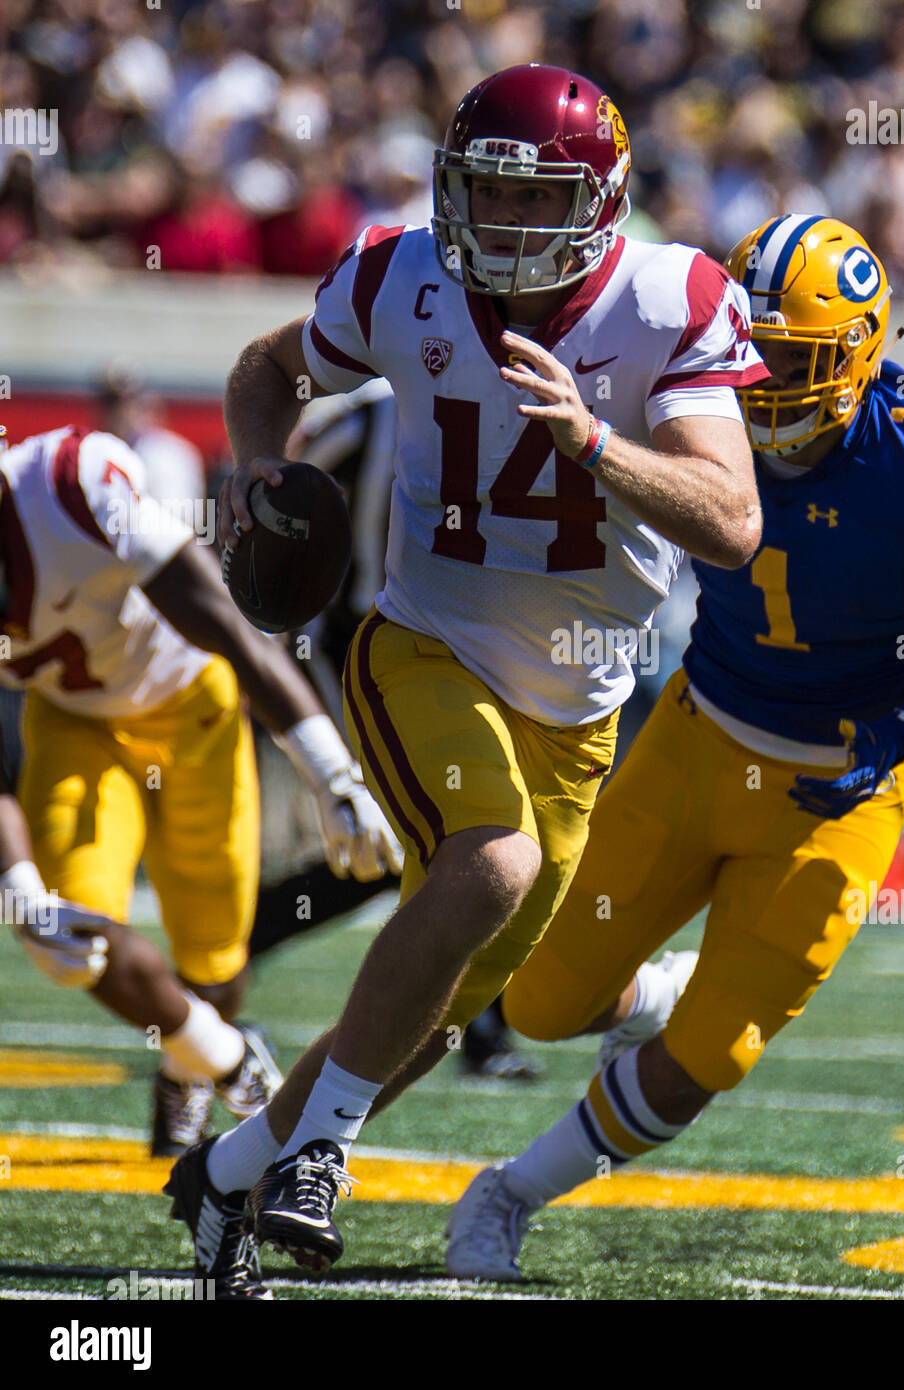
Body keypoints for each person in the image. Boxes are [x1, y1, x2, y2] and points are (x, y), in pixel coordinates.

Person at [162, 62, 767, 1298]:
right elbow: (263, 368)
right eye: (480, 195)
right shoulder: (403, 276)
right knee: (491, 863)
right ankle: (322, 1152)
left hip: (579, 706)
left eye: (529, 199)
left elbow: (732, 520)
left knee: (430, 1014)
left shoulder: (672, 298)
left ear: (600, 202)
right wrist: (260, 475)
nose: (498, 226)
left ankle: (228, 1172)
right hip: (419, 646)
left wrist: (598, 443)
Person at [440, 214, 904, 1282]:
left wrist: (902, 732)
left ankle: (507, 1191)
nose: (765, 375)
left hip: (843, 780)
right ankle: (659, 989)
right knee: (542, 1002)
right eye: (755, 343)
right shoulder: (691, 396)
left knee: (712, 1056)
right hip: (700, 732)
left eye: (794, 354)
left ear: (859, 352)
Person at [0, 422, 401, 1166]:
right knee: (69, 939)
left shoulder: (71, 484)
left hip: (194, 706)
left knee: (218, 960)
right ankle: (225, 1060)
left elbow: (223, 620)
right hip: (77, 724)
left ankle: (193, 1060)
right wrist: (18, 885)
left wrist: (330, 770)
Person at [249, 379, 544, 1081]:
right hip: (359, 645)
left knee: (462, 837)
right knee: (422, 838)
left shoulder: (509, 401)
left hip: (465, 650)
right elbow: (281, 494)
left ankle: (243, 934)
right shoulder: (373, 408)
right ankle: (242, 935)